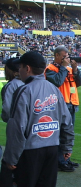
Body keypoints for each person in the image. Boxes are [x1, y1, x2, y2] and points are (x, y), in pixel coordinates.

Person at [1, 51, 74, 187]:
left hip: (30, 152)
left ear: (27, 68)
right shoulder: (54, 89)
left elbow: (17, 128)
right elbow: (67, 121)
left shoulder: (24, 90)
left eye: (21, 67)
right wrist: (67, 147)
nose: (19, 71)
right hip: (52, 149)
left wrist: (11, 158)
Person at [45, 45, 81, 172]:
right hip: (59, 105)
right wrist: (63, 68)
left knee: (68, 134)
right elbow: (57, 81)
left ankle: (65, 159)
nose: (66, 58)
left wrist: (75, 69)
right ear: (56, 55)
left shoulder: (68, 68)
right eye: (64, 56)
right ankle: (60, 161)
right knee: (61, 133)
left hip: (72, 104)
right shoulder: (50, 69)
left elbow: (80, 82)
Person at [0, 58, 24, 187]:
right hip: (32, 130)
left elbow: (7, 112)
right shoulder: (28, 82)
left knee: (9, 164)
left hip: (15, 129)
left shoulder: (10, 86)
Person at [1, 58, 24, 122]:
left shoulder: (11, 85)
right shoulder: (30, 81)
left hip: (17, 124)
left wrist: (5, 117)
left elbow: (7, 109)